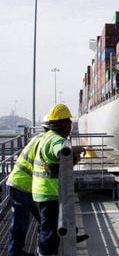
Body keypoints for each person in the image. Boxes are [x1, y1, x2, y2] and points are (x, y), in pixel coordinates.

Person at [32, 104, 85, 256]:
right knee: (49, 233)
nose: (71, 126)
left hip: (44, 191)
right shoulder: (56, 140)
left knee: (49, 227)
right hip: (49, 193)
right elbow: (61, 152)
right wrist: (73, 154)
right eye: (69, 122)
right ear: (63, 124)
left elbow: (54, 166)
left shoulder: (47, 136)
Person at [6, 116, 50, 256]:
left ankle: (41, 248)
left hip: (29, 187)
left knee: (42, 218)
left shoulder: (40, 138)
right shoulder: (44, 142)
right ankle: (15, 253)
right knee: (20, 222)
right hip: (20, 186)